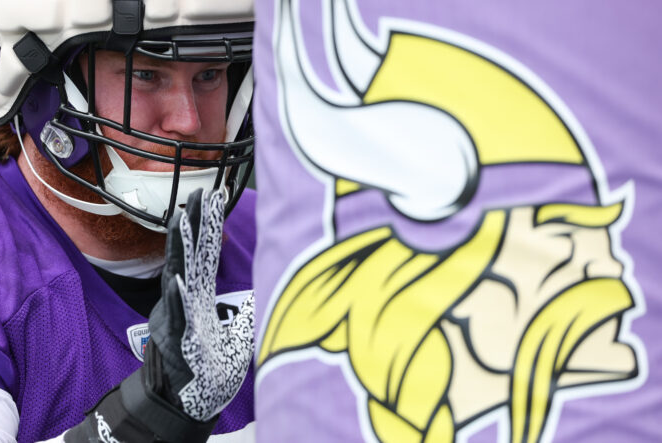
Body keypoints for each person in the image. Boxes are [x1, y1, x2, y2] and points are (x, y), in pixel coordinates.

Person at [253, 0, 660, 442]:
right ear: (433, 262)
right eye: (565, 236)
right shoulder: (311, 391)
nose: (613, 269)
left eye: (601, 237)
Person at [0, 0, 257, 441]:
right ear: (38, 90)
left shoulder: (282, 244)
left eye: (210, 75)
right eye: (146, 75)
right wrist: (139, 426)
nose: (188, 121)